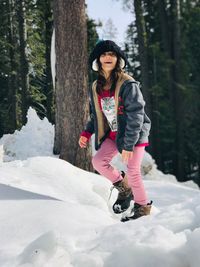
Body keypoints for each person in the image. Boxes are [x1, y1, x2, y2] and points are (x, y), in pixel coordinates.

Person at [79, 40, 152, 221]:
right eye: (103, 55)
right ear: (98, 61)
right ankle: (124, 188)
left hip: (133, 135)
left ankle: (142, 208)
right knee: (98, 162)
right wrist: (87, 133)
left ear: (118, 59)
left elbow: (136, 114)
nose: (108, 57)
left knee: (133, 169)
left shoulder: (128, 84)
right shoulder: (96, 87)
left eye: (112, 54)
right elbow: (97, 114)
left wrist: (128, 145)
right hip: (113, 134)